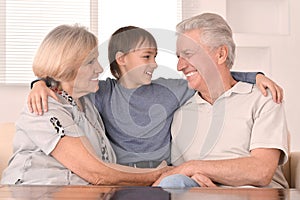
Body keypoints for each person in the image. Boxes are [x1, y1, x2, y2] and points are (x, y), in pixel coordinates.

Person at [27, 26, 283, 169]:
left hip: (164, 176)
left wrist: (254, 75)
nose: (154, 64)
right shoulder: (101, 92)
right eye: (147, 57)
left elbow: (212, 75)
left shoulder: (171, 89)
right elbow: (65, 82)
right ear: (122, 59)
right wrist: (39, 83)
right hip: (123, 177)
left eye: (156, 57)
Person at [0, 24, 169, 185]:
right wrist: (161, 173)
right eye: (90, 62)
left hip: (80, 192)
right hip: (35, 191)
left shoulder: (87, 102)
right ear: (67, 65)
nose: (100, 69)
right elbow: (96, 174)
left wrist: (39, 82)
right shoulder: (44, 106)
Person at [155, 13, 289, 188]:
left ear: (221, 54)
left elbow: (261, 171)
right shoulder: (181, 115)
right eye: (179, 57)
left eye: (188, 54)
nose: (180, 66)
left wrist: (193, 167)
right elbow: (181, 176)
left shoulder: (263, 98)